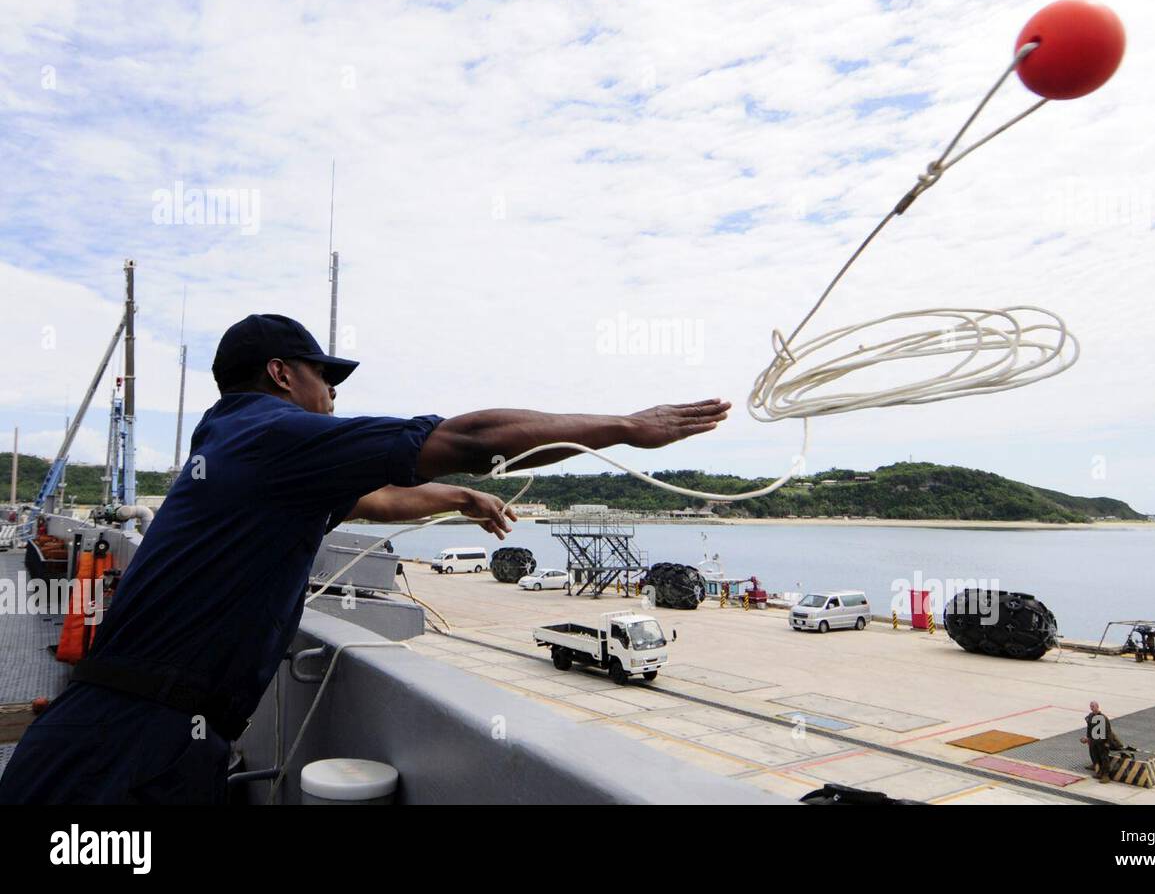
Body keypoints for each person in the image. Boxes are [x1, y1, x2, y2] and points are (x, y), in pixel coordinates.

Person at [0, 313, 729, 804]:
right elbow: (471, 438)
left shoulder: (239, 448)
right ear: (282, 374)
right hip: (125, 745)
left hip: (142, 732)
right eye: (326, 377)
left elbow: (375, 500)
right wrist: (626, 427)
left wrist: (457, 498)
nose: (333, 393)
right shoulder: (272, 434)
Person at [1080, 700, 1123, 782]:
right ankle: (1099, 772)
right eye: (1091, 707)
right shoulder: (1091, 716)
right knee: (1096, 757)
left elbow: (1108, 732)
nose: (1092, 708)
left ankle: (1106, 776)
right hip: (1094, 741)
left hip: (1102, 741)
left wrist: (1107, 742)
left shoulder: (1103, 718)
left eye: (1093, 706)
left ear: (1097, 706)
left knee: (1104, 758)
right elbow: (1089, 729)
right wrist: (1088, 738)